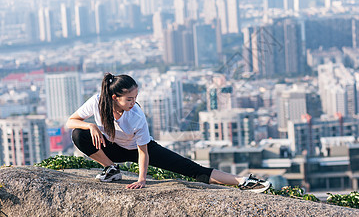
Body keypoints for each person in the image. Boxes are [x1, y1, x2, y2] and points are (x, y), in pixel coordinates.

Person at [66, 73, 271, 193]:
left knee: (192, 169)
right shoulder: (97, 102)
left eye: (135, 97)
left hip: (139, 149)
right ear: (114, 97)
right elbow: (70, 121)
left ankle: (244, 182)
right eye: (129, 99)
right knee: (78, 134)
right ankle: (111, 169)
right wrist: (91, 126)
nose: (133, 102)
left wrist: (142, 179)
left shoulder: (136, 115)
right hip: (112, 149)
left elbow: (143, 152)